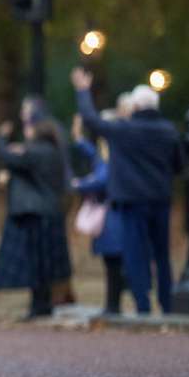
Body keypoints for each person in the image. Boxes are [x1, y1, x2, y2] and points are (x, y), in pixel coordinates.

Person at [71, 67, 184, 315]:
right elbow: (179, 165)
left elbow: (91, 120)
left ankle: (142, 304)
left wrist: (82, 90)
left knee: (135, 254)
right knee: (162, 254)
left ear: (135, 106)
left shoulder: (125, 130)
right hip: (160, 199)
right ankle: (167, 303)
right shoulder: (169, 131)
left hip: (132, 201)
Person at [0, 116, 72, 319]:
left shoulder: (37, 152)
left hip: (37, 214)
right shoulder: (54, 153)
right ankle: (44, 303)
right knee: (47, 262)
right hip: (52, 211)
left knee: (35, 262)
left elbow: (11, 159)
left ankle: (39, 305)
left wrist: (1, 139)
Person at [70, 112, 125, 314]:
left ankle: (113, 305)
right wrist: (77, 131)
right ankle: (112, 304)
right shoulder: (104, 153)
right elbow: (85, 148)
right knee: (112, 264)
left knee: (114, 263)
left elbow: (102, 178)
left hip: (113, 216)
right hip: (110, 216)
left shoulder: (113, 154)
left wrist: (80, 184)